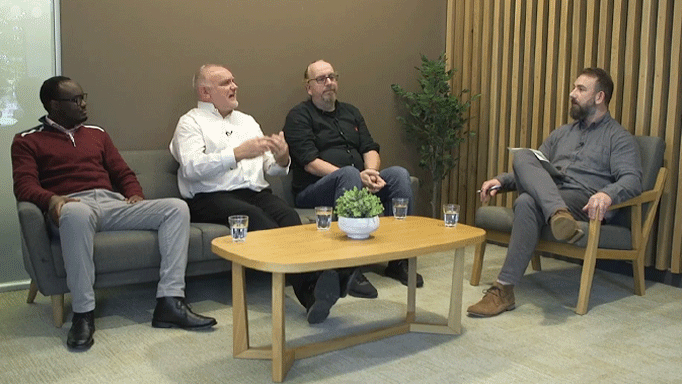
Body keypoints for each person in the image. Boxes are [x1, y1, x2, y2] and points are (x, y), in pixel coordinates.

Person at [11, 76, 217, 351]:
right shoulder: (27, 140)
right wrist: (51, 199)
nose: (84, 104)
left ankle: (170, 301)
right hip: (73, 207)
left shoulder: (97, 133)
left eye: (84, 96)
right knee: (75, 214)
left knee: (175, 208)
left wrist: (135, 195)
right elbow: (24, 186)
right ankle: (83, 314)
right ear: (53, 105)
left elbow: (122, 172)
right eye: (76, 100)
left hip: (112, 203)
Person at [169, 64, 357, 324]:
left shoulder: (246, 121)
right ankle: (319, 284)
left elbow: (272, 168)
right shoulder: (190, 122)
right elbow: (190, 168)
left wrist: (282, 158)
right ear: (205, 92)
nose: (234, 86)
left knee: (290, 218)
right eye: (225, 83)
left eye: (234, 80)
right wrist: (236, 154)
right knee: (258, 220)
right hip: (210, 196)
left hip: (255, 191)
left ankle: (317, 291)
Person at [467, 68, 643, 317]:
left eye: (581, 89)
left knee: (529, 200)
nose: (572, 94)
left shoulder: (619, 138)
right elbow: (535, 171)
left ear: (600, 97)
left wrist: (607, 195)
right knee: (525, 161)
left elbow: (632, 180)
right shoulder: (562, 133)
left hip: (582, 201)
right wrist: (501, 181)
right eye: (574, 87)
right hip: (554, 196)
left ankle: (503, 290)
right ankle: (555, 216)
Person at [283, 60, 423, 296]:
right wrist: (356, 176)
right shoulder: (298, 116)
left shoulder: (351, 112)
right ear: (309, 87)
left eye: (332, 77)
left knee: (399, 175)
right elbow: (310, 163)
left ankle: (400, 261)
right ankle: (349, 268)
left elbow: (369, 148)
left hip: (357, 180)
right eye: (321, 79)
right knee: (347, 174)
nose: (329, 82)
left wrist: (371, 173)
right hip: (315, 190)